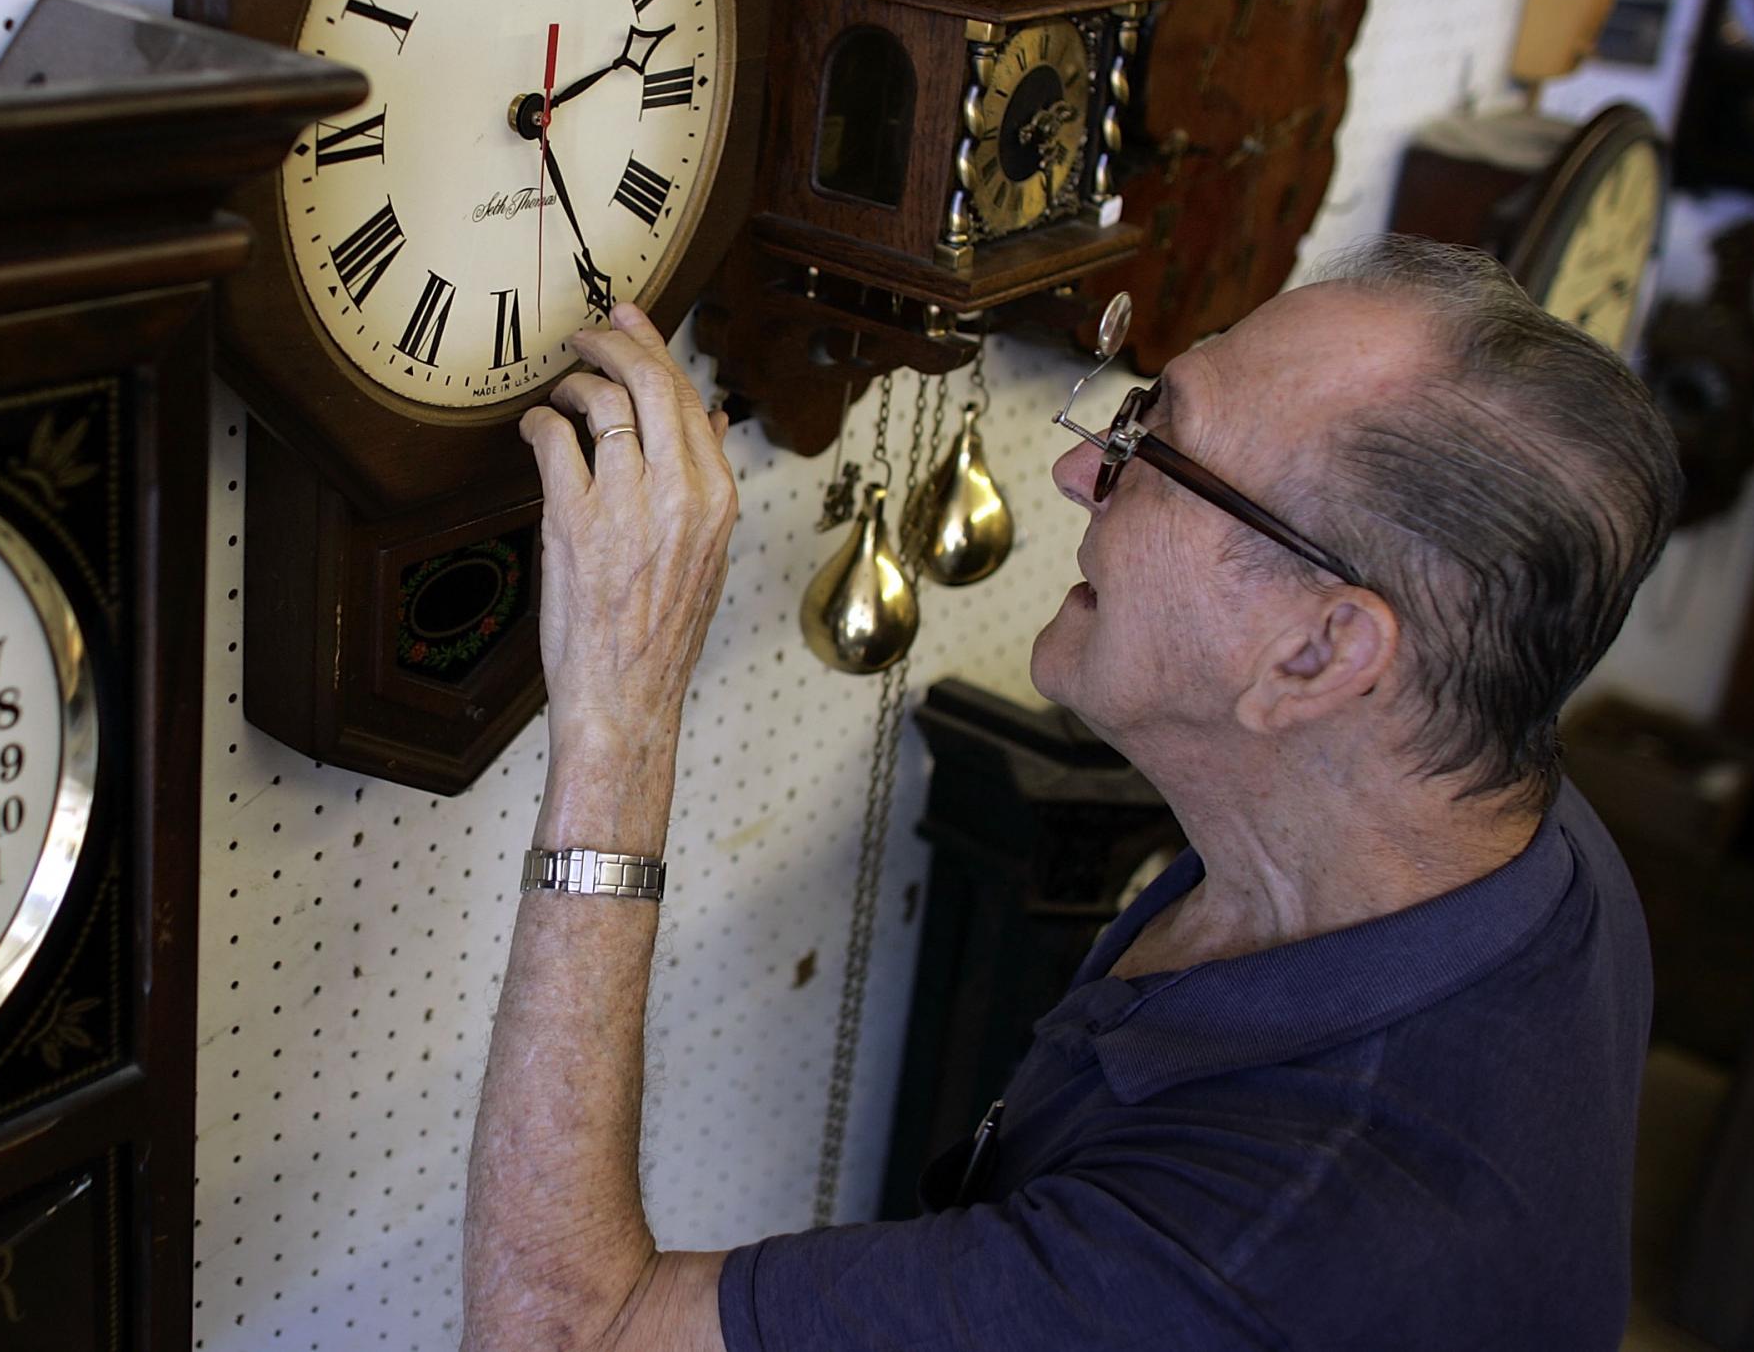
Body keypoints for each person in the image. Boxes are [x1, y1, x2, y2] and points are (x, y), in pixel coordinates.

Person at [460, 235, 1683, 1352]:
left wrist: (622, 713)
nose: (1076, 464)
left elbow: (562, 1331)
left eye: (1157, 441)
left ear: (1315, 655)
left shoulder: (1243, 1258)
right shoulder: (1502, 826)